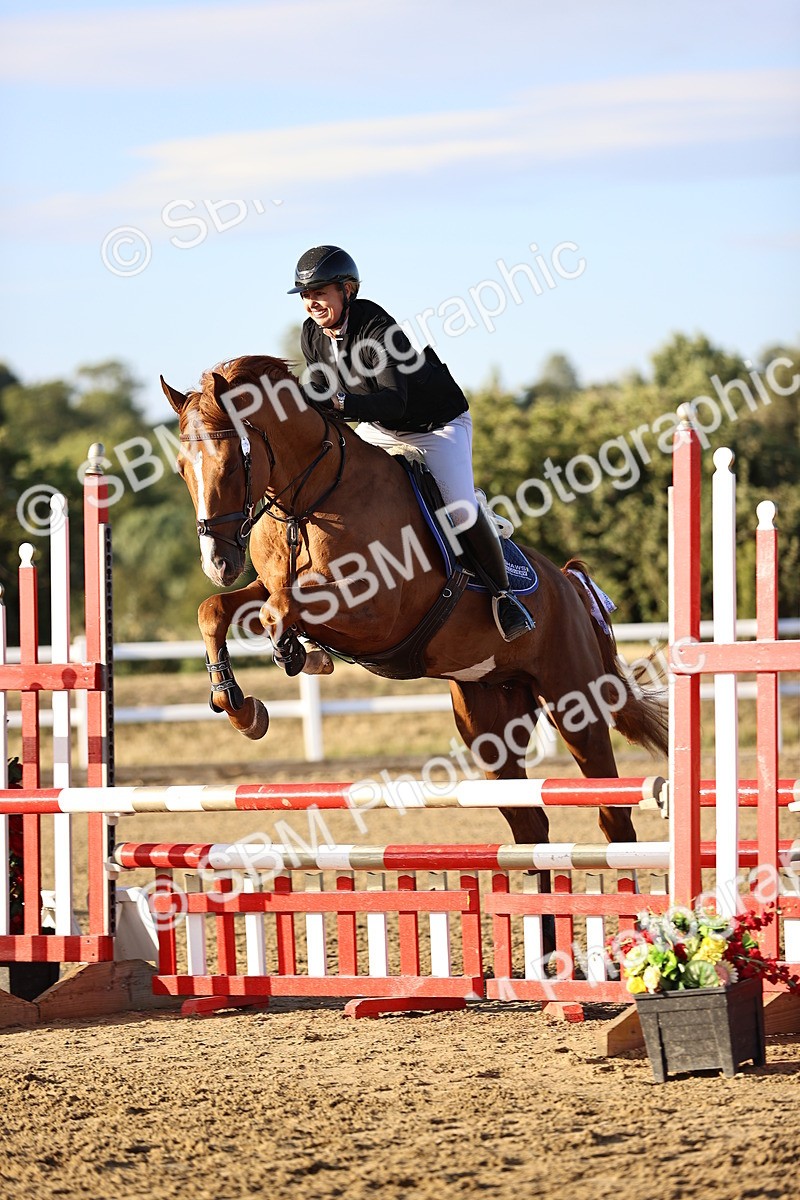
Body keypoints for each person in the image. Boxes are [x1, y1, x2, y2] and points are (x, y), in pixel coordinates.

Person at [288, 244, 536, 643]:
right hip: (378, 426)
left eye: (320, 292)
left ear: (347, 290)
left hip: (434, 426)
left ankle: (504, 595)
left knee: (458, 511)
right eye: (306, 295)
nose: (312, 303)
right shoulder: (311, 335)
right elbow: (319, 388)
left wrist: (339, 403)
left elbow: (394, 400)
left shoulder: (379, 329)